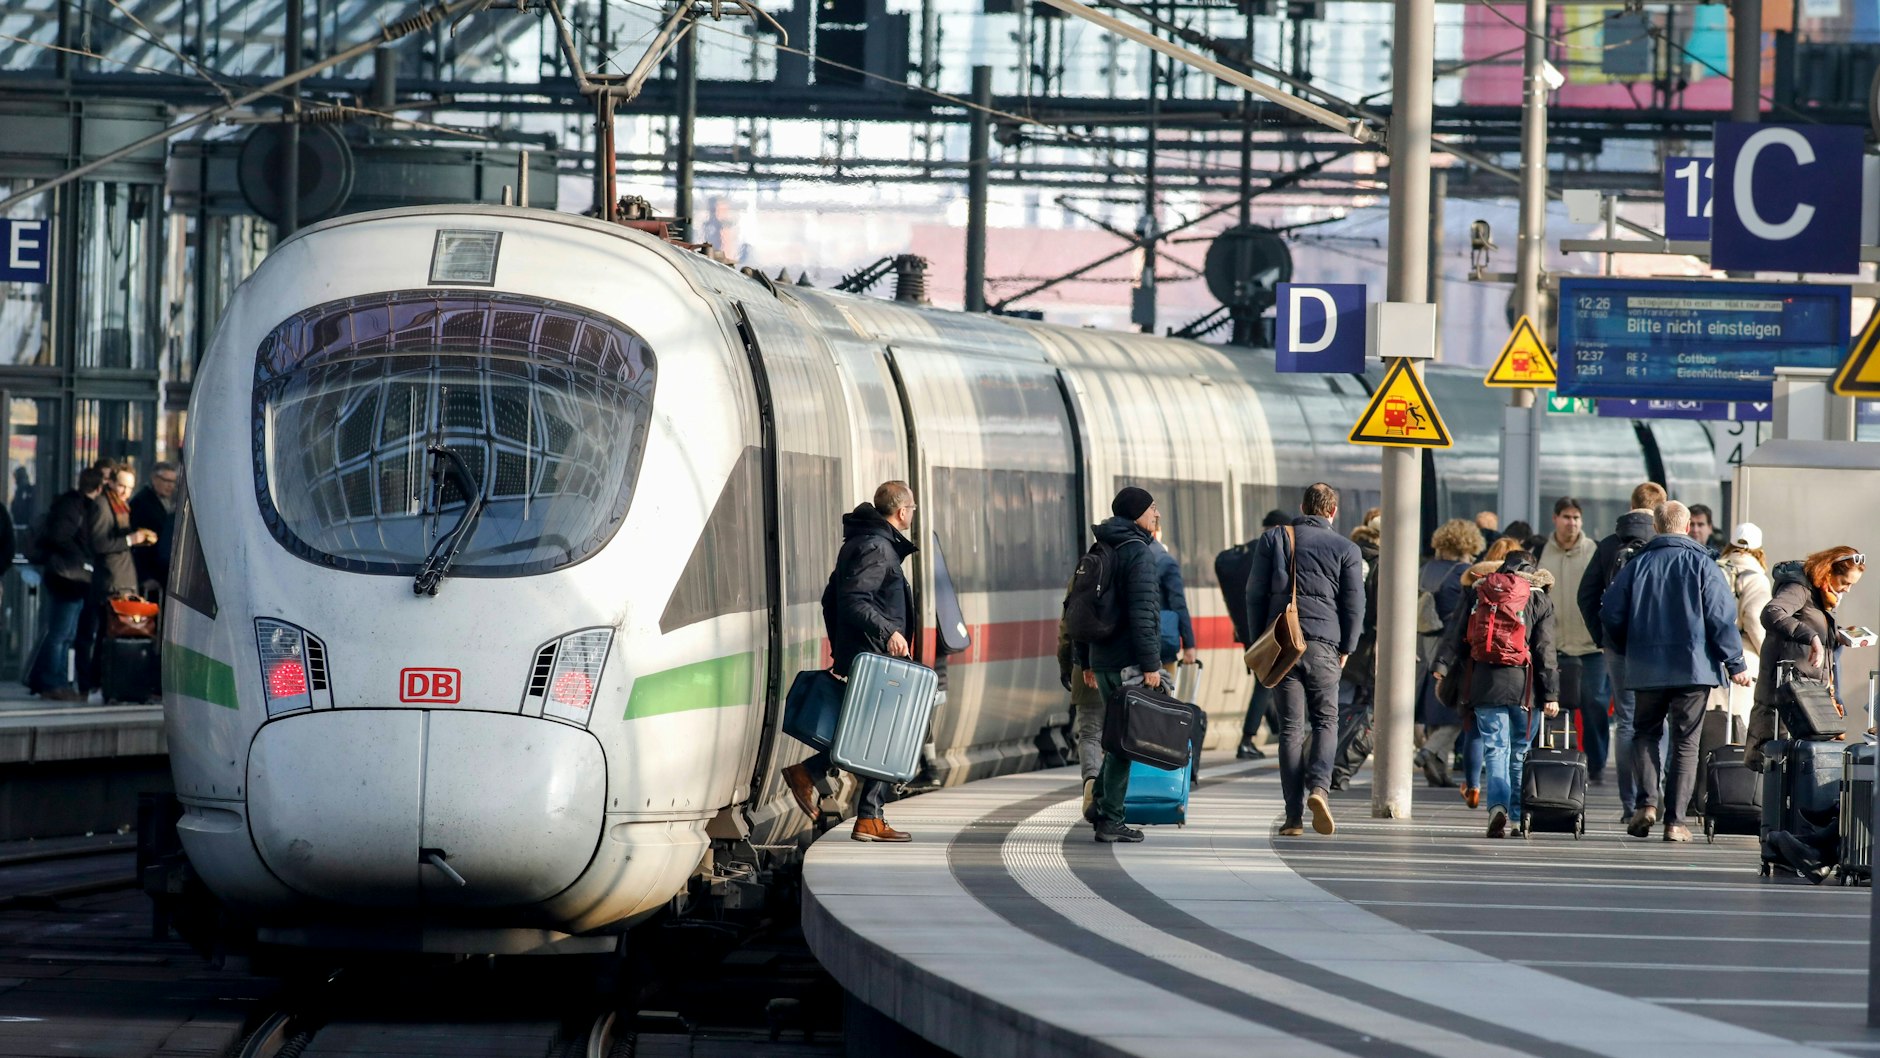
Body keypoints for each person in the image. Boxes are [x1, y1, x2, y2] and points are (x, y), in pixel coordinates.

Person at [1600, 501, 1752, 842]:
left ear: (1656, 527)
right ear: (1686, 527)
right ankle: (1675, 822)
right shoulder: (1703, 564)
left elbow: (1609, 611)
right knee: (1686, 743)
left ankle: (1646, 804)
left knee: (1644, 733)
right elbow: (1720, 617)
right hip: (1693, 669)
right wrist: (1735, 663)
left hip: (1646, 667)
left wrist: (1629, 645)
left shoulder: (1637, 564)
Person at [782, 481, 919, 843]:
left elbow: (831, 599)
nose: (912, 515)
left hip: (867, 653)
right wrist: (888, 633)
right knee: (885, 736)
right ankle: (865, 814)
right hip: (876, 658)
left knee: (872, 735)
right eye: (912, 509)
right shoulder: (877, 547)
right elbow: (853, 599)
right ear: (902, 512)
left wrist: (844, 646)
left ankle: (853, 805)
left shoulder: (864, 542)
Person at [1246, 483, 1365, 836]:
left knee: (1291, 730)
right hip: (1325, 644)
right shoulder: (1347, 548)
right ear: (1333, 512)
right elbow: (1354, 604)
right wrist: (1348, 647)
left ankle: (1293, 817)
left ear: (1302, 507)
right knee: (1326, 721)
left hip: (1283, 645)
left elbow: (1254, 593)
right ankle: (1319, 789)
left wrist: (1260, 641)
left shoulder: (1275, 538)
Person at [1432, 551, 1559, 838]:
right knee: (1520, 751)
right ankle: (1516, 817)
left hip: (1485, 682)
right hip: (1525, 688)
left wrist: (1441, 665)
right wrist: (1551, 693)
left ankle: (1497, 807)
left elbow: (1456, 633)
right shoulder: (1539, 597)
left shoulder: (1481, 592)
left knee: (1495, 749)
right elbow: (1545, 650)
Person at [1074, 486, 1166, 844]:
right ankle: (1111, 816)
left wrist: (1085, 659)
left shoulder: (1101, 547)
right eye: (1152, 508)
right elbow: (1143, 613)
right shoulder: (1138, 553)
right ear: (1137, 514)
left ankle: (1100, 805)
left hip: (1101, 659)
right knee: (1125, 743)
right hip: (1127, 661)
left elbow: (1078, 609)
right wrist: (1151, 665)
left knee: (1116, 739)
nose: (1156, 514)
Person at [1578, 481, 1665, 820]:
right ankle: (1655, 795)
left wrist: (1602, 637)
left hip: (1618, 645)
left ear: (1631, 505)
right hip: (1660, 647)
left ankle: (1630, 806)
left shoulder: (1608, 545)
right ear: (1662, 508)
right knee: (1660, 719)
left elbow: (1586, 595)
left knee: (1627, 721)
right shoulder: (1665, 543)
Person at [1747, 545, 1866, 774]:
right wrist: (1810, 636)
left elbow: (1809, 623)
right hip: (1787, 693)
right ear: (1828, 572)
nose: (1847, 589)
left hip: (1806, 693)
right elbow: (1772, 612)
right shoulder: (1799, 587)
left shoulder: (1822, 595)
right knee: (1777, 765)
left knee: (1802, 768)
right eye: (1845, 582)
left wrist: (1837, 635)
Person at [1537, 497, 1608, 785]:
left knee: (1595, 705)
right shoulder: (1541, 553)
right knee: (1550, 705)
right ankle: (1551, 761)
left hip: (1591, 646)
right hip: (1553, 645)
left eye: (1576, 517)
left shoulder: (1595, 551)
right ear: (1555, 519)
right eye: (1566, 517)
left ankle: (1597, 764)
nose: (1572, 523)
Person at [26, 468, 106, 702]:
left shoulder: (77, 505)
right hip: (67, 577)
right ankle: (54, 683)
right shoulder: (73, 506)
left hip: (72, 578)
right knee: (61, 633)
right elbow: (60, 536)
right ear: (98, 488)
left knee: (66, 633)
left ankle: (57, 681)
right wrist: (81, 556)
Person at [1415, 518, 1484, 788]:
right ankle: (1429, 751)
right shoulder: (1463, 573)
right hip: (1449, 645)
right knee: (1457, 709)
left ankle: (1438, 770)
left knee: (1435, 708)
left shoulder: (1426, 569)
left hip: (1423, 644)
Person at [78, 465, 156, 697]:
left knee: (113, 633)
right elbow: (99, 543)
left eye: (130, 488)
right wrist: (131, 540)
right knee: (106, 633)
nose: (126, 492)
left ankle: (107, 683)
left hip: (122, 579)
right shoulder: (103, 505)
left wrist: (136, 540)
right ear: (110, 482)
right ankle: (96, 683)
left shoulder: (119, 505)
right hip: (110, 581)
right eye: (122, 486)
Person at [1330, 516, 1380, 790]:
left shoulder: (1342, 558)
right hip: (1368, 648)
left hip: (1338, 642)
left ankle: (1325, 758)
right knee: (1371, 712)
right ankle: (1340, 765)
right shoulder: (1381, 565)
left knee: (1339, 706)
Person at [1238, 509, 1292, 760]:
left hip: (1254, 630)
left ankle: (1272, 730)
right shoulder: (1274, 551)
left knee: (1268, 683)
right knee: (1264, 685)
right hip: (1272, 632)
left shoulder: (1250, 552)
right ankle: (1247, 739)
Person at [1710, 523, 1773, 738]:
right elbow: (1755, 621)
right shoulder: (1756, 578)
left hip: (1710, 655)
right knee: (1738, 728)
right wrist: (1767, 656)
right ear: (1759, 550)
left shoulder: (1713, 570)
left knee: (1710, 727)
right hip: (1743, 661)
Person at [1057, 573, 1105, 814]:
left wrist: (1066, 664)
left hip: (1085, 668)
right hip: (1125, 668)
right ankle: (1114, 802)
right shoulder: (1134, 565)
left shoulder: (1084, 572)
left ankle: (1091, 783)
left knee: (1090, 735)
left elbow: (1068, 625)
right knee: (1122, 738)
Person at [129, 461, 178, 598]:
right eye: (166, 481)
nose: (170, 486)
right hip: (148, 574)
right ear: (154, 479)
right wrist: (144, 576)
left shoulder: (163, 501)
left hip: (157, 572)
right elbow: (138, 546)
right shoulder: (142, 503)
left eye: (173, 482)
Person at [1151, 529, 1196, 671]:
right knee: (1164, 683)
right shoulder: (1165, 561)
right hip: (1161, 645)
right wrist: (1189, 644)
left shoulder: (1119, 554)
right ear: (1156, 532)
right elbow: (1178, 604)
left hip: (1125, 648)